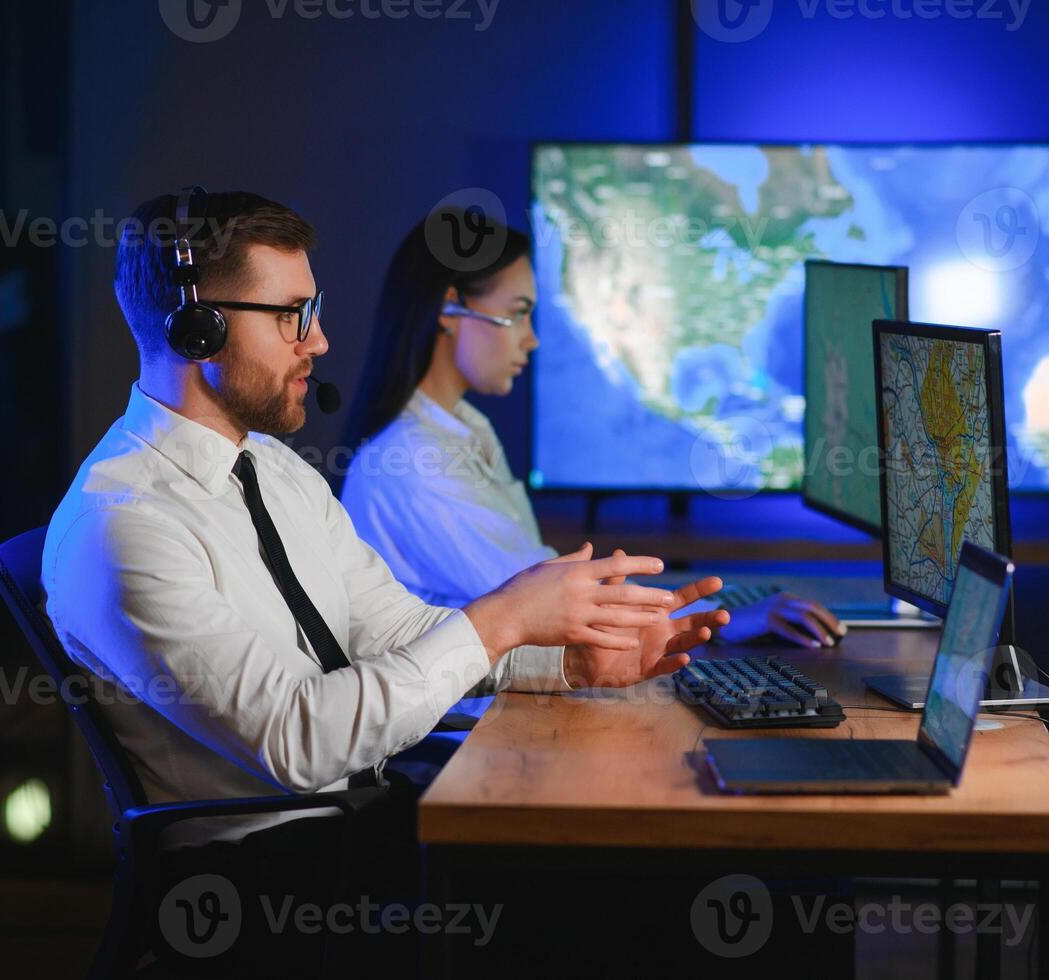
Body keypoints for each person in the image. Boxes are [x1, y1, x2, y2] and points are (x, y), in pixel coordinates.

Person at [41, 188, 729, 970]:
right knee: (661, 903)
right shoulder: (125, 526)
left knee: (672, 874)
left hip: (358, 829)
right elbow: (302, 741)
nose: (320, 340)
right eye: (290, 314)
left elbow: (395, 629)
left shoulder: (271, 469)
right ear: (196, 328)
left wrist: (566, 662)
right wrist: (501, 619)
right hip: (268, 893)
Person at [341, 213, 846, 649]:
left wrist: (715, 605)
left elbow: (538, 587)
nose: (532, 339)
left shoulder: (463, 429)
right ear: (451, 309)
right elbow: (546, 603)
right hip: (472, 728)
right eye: (517, 314)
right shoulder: (414, 462)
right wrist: (718, 619)